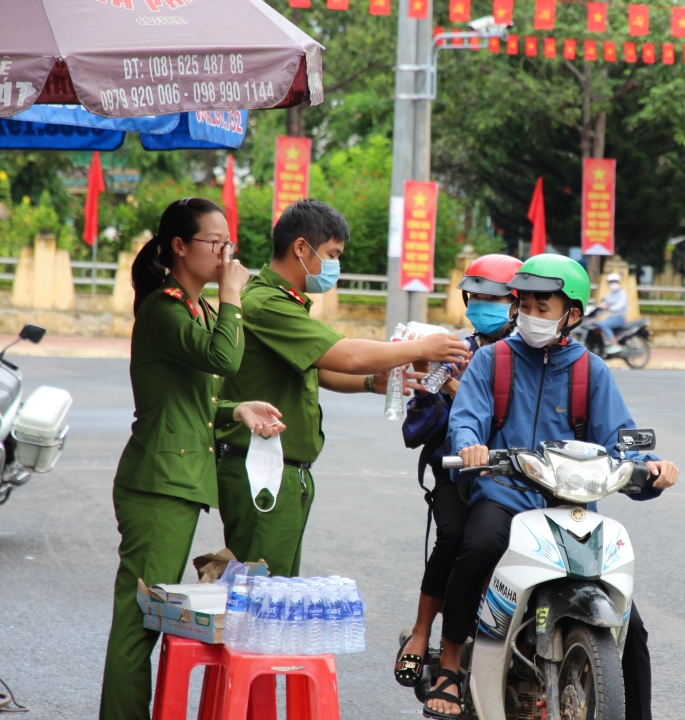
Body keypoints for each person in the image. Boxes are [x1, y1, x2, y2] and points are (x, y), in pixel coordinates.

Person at [423, 255, 678, 720]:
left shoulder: (591, 371)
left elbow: (621, 440)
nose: (531, 315)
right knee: (477, 545)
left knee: (632, 625)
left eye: (545, 306)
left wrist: (650, 469)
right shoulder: (491, 360)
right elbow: (467, 420)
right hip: (503, 495)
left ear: (572, 315)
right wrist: (472, 448)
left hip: (570, 505)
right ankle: (450, 664)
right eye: (525, 305)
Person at [100, 198, 287, 720]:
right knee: (138, 624)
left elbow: (196, 398)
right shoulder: (163, 308)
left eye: (229, 243)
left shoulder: (195, 307)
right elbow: (224, 357)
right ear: (179, 247)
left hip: (178, 482)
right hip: (157, 485)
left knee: (152, 621)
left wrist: (237, 408)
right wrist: (232, 300)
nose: (227, 253)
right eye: (215, 243)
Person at [215, 199, 471, 577]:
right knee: (260, 595)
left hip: (280, 467)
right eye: (332, 254)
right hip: (264, 466)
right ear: (301, 248)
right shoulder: (269, 305)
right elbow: (346, 355)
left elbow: (319, 369)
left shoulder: (286, 303)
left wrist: (372, 382)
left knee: (273, 588)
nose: (335, 265)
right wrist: (419, 347)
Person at [394, 254, 523, 687]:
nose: (482, 304)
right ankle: (421, 631)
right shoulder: (452, 350)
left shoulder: (527, 356)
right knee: (453, 536)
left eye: (494, 297)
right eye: (476, 297)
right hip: (456, 470)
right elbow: (416, 428)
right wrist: (436, 386)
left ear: (516, 302)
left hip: (516, 475)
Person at [597, 271, 628, 354]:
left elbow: (620, 305)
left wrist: (610, 308)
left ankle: (616, 345)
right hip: (611, 317)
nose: (613, 284)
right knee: (597, 324)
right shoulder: (608, 295)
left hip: (619, 318)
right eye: (611, 282)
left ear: (618, 282)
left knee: (604, 325)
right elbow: (604, 306)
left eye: (615, 282)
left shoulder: (622, 293)